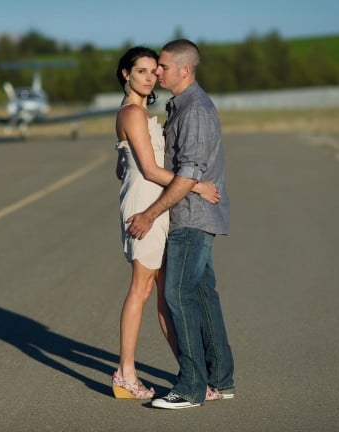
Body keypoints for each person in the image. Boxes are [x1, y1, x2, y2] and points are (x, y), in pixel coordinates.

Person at [125, 39, 235, 409]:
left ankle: (190, 387)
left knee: (177, 296)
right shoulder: (180, 107)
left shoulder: (196, 111)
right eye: (153, 68)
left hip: (191, 217)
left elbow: (188, 174)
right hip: (185, 213)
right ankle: (220, 379)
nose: (158, 72)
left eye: (164, 67)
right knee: (202, 297)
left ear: (185, 70)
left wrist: (150, 213)